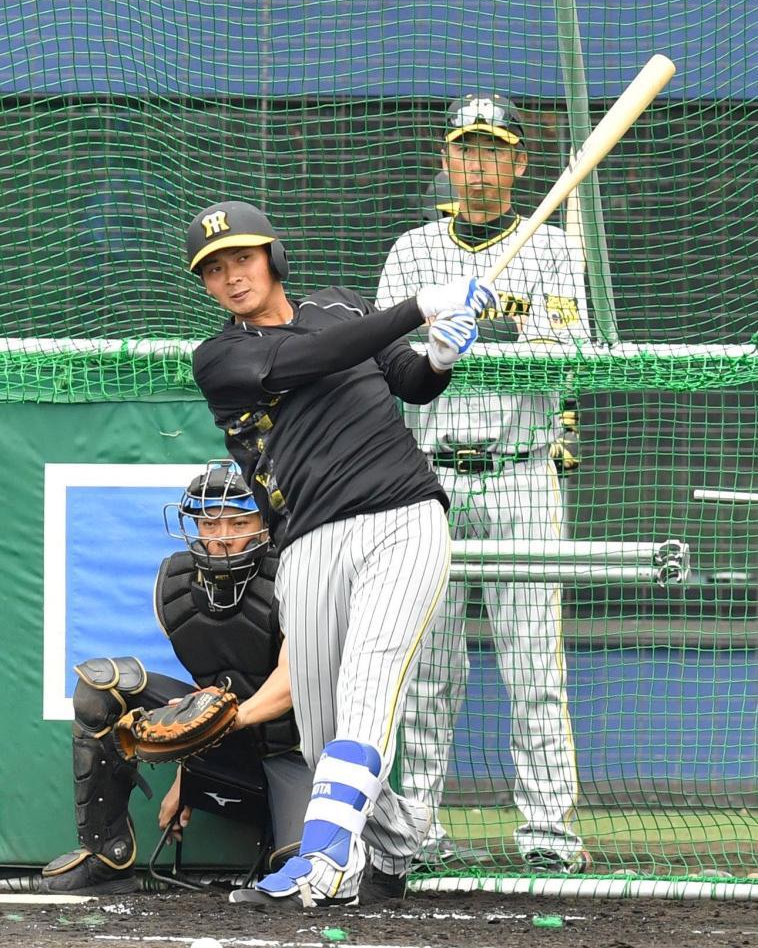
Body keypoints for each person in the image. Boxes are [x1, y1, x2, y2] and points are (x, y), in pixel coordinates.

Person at [188, 199, 497, 908]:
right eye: (214, 270)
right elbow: (313, 358)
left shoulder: (341, 306)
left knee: (368, 688)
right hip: (307, 544)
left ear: (273, 257)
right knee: (325, 730)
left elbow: (409, 381)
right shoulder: (222, 358)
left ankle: (323, 860)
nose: (232, 277)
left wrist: (440, 356)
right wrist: (420, 304)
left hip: (401, 517)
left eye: (243, 257)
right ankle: (384, 856)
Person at [375, 94, 592, 874]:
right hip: (427, 476)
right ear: (447, 158)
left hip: (523, 472)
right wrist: (436, 331)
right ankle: (418, 833)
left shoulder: (556, 247)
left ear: (519, 164)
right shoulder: (412, 249)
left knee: (534, 668)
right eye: (465, 149)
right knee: (427, 669)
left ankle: (548, 837)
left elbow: (573, 353)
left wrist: (492, 322)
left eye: (494, 150)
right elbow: (384, 356)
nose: (478, 163)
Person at [40, 461, 312, 895]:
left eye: (239, 521)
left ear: (265, 521)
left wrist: (225, 721)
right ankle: (107, 854)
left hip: (296, 748)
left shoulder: (298, 572)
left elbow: (295, 680)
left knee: (305, 874)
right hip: (230, 740)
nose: (222, 537)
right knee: (101, 684)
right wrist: (193, 764)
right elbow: (208, 691)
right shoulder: (177, 585)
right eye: (209, 522)